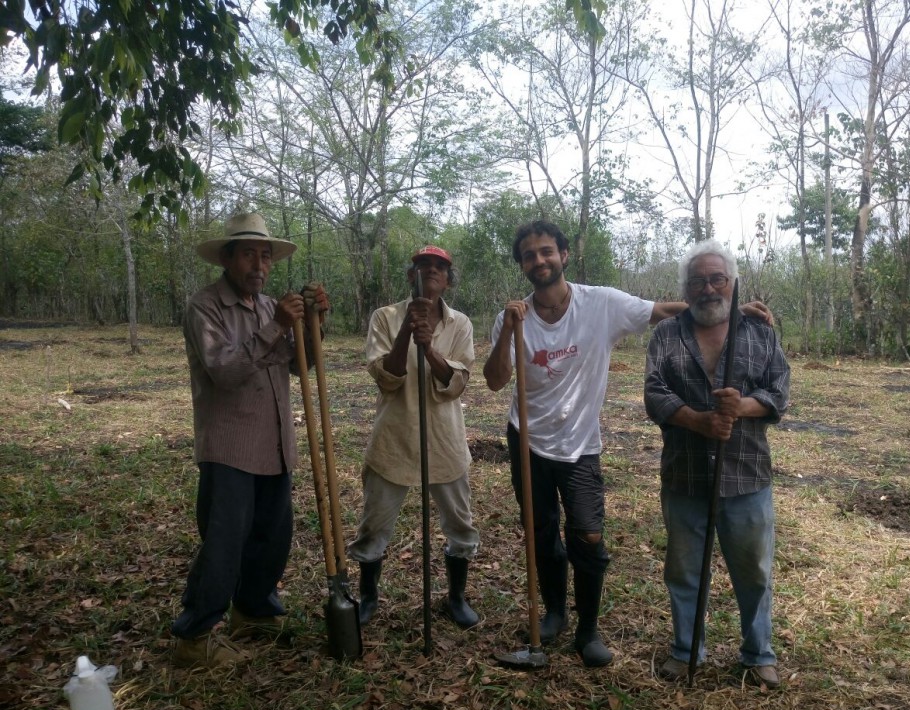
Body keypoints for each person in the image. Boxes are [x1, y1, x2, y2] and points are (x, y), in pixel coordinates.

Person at [484, 221, 772, 668]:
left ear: (563, 254)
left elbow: (663, 310)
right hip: (528, 439)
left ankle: (588, 630)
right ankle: (555, 613)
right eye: (529, 255)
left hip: (580, 442)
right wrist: (507, 329)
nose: (539, 261)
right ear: (522, 264)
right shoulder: (512, 317)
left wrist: (728, 308)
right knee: (541, 532)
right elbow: (495, 380)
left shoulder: (600, 302)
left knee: (588, 533)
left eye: (546, 251)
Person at [171, 212, 329, 668]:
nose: (258, 266)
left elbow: (299, 366)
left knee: (271, 535)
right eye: (248, 255)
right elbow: (223, 371)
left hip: (274, 443)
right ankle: (194, 635)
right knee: (225, 541)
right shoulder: (206, 307)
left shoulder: (267, 307)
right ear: (227, 258)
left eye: (265, 257)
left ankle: (253, 610)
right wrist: (278, 325)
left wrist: (315, 322)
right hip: (230, 447)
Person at [644, 239, 790, 689]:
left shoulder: (759, 332)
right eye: (697, 281)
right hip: (685, 476)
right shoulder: (666, 335)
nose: (708, 288)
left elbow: (779, 391)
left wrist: (742, 407)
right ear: (685, 289)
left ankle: (757, 654)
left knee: (754, 572)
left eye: (717, 279)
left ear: (731, 283)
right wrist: (698, 420)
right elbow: (654, 394)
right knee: (685, 572)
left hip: (746, 476)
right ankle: (686, 650)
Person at [347, 246, 480, 629]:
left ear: (448, 279)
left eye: (440, 267)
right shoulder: (385, 317)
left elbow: (456, 383)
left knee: (460, 524)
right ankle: (369, 596)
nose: (432, 271)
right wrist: (407, 329)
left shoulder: (461, 325)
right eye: (424, 265)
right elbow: (386, 377)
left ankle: (455, 597)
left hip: (445, 442)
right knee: (374, 524)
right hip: (394, 438)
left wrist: (430, 348)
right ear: (412, 275)